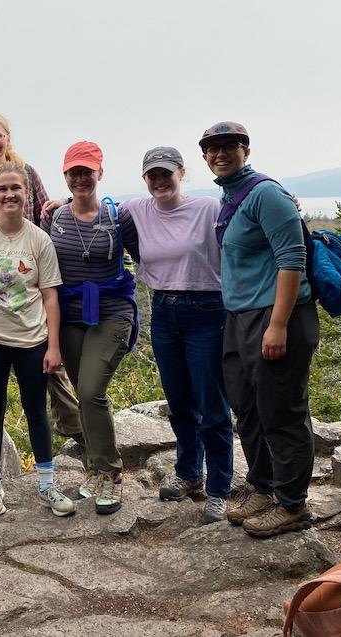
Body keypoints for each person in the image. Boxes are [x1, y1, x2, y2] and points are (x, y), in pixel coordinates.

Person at [199, 121, 319, 538]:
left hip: (277, 315)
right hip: (240, 317)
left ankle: (292, 503)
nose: (220, 154)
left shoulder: (267, 193)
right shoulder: (230, 196)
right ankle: (263, 486)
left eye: (229, 146)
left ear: (245, 150)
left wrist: (279, 325)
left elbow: (292, 258)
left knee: (280, 410)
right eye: (212, 149)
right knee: (247, 408)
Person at [118, 147, 233, 523]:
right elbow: (96, 208)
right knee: (180, 400)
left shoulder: (207, 209)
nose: (160, 181)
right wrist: (61, 202)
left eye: (166, 173)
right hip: (164, 311)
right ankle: (189, 472)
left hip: (207, 310)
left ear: (181, 173)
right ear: (145, 179)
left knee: (211, 403)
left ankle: (219, 486)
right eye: (152, 175)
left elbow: (240, 230)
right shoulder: (137, 209)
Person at [0, 112, 82, 453]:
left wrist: (67, 203)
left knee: (50, 374)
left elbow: (46, 211)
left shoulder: (26, 173)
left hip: (29, 279)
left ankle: (74, 429)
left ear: (8, 138)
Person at [0, 161, 76, 518]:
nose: (9, 194)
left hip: (32, 337)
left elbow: (50, 296)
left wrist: (54, 345)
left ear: (27, 193)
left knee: (36, 411)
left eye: (16, 188)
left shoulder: (38, 238)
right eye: (2, 189)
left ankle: (46, 484)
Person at [41, 142, 139, 515]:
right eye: (73, 172)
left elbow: (151, 251)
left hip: (113, 311)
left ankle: (111, 472)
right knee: (84, 393)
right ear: (65, 176)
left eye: (87, 171)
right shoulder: (54, 217)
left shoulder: (118, 217)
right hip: (70, 314)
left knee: (92, 389)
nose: (80, 178)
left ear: (100, 173)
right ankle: (94, 469)